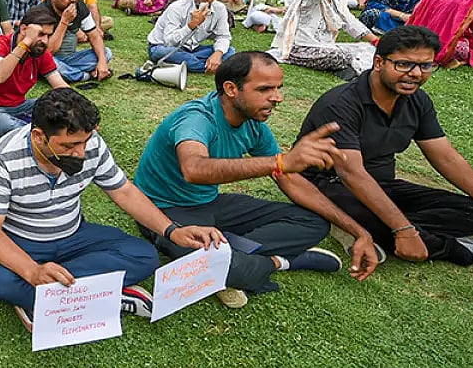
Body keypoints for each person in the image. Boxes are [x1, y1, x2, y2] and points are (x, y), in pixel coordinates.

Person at [133, 51, 380, 308]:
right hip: (162, 211)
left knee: (315, 222)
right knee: (218, 265)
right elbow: (193, 169)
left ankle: (230, 255)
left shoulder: (252, 123)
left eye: (278, 88)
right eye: (264, 89)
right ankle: (281, 261)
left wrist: (359, 232)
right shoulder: (196, 118)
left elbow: (291, 181)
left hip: (209, 203)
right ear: (231, 89)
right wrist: (280, 162)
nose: (277, 98)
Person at [0, 88, 225, 329]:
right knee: (3, 284)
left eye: (84, 142)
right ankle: (104, 295)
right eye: (68, 146)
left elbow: (123, 191)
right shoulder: (3, 158)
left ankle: (51, 298)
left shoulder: (90, 143)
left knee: (144, 255)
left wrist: (171, 230)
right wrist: (31, 271)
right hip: (23, 241)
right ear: (39, 137)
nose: (81, 153)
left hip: (73, 234)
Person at [298, 25, 473, 267]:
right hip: (329, 185)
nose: (415, 73)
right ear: (379, 63)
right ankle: (459, 248)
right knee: (393, 228)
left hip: (383, 185)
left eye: (425, 65)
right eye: (404, 64)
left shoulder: (417, 101)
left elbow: (447, 158)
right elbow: (351, 173)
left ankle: (364, 228)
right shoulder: (341, 104)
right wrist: (403, 229)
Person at [0, 5, 68, 138]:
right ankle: (40, 135)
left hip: (20, 106)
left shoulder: (39, 51)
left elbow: (60, 85)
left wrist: (82, 111)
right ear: (23, 29)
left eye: (48, 35)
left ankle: (42, 132)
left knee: (57, 102)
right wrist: (27, 41)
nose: (45, 41)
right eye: (40, 34)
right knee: (7, 124)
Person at [271, 0, 379, 80]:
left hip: (327, 46)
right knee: (340, 55)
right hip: (301, 48)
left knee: (367, 48)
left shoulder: (337, 1)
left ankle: (348, 69)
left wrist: (376, 42)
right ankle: (348, 70)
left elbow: (352, 24)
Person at [147, 0, 235, 73]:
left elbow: (223, 36)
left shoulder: (220, 9)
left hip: (193, 50)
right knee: (162, 52)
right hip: (164, 47)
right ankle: (213, 67)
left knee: (229, 51)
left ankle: (194, 63)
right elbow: (169, 41)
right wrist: (192, 25)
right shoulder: (177, 7)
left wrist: (218, 54)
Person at [42, 0, 112, 82]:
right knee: (48, 62)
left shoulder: (79, 6)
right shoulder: (42, 12)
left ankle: (69, 72)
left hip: (71, 59)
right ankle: (86, 76)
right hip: (49, 58)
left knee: (106, 53)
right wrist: (64, 21)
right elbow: (49, 52)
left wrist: (102, 62)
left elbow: (94, 36)